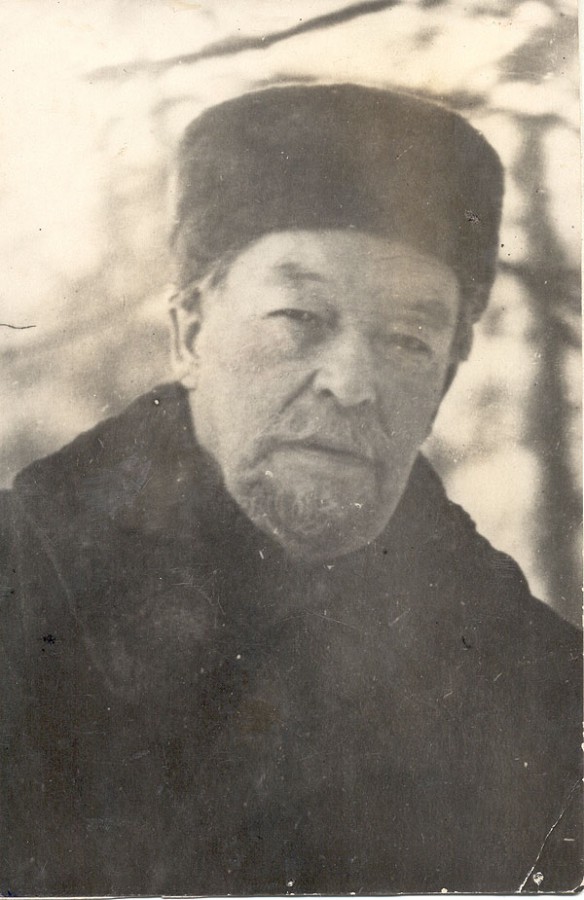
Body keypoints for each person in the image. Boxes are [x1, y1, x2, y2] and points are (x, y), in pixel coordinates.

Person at [0, 84, 581, 896]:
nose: (352, 383)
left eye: (408, 339)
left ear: (445, 380)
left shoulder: (540, 689)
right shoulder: (26, 587)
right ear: (190, 332)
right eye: (300, 318)